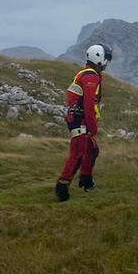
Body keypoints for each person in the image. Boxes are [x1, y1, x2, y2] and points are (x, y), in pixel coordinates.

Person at [55, 43, 111, 202]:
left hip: (80, 118)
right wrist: (93, 127)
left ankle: (86, 180)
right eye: (106, 58)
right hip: (81, 120)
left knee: (92, 150)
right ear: (99, 58)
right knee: (78, 154)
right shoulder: (90, 76)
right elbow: (88, 104)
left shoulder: (88, 74)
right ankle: (62, 187)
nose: (107, 62)